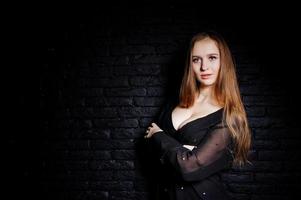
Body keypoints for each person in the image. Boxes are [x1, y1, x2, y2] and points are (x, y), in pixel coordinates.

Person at [144, 31, 251, 200]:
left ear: (224, 62)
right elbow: (148, 150)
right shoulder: (173, 103)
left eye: (212, 58)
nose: (204, 67)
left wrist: (158, 136)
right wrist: (185, 152)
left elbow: (189, 168)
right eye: (196, 59)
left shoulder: (230, 116)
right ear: (190, 64)